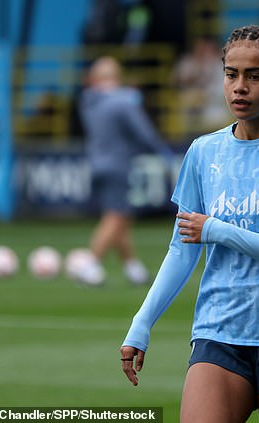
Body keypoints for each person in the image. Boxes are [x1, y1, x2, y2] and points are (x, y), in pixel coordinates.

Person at [120, 25, 259, 423]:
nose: (239, 87)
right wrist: (141, 323)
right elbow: (182, 248)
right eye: (231, 74)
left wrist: (219, 231)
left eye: (254, 76)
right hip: (218, 332)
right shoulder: (203, 152)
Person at [78, 56, 174, 285]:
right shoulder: (122, 102)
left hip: (96, 163)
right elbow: (144, 132)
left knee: (119, 216)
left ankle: (133, 268)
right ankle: (90, 264)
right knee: (117, 216)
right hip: (118, 165)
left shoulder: (89, 102)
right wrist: (163, 153)